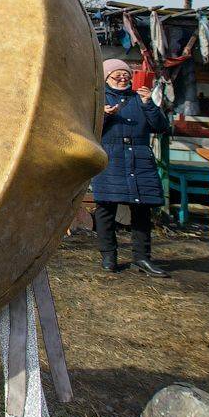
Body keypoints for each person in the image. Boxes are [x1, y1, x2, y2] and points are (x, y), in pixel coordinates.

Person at [91, 58, 171, 277]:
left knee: (142, 211)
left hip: (140, 159)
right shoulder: (99, 99)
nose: (122, 79)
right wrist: (105, 116)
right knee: (106, 210)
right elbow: (90, 131)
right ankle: (109, 256)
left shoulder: (140, 99)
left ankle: (142, 258)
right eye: (117, 75)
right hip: (111, 158)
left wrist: (149, 104)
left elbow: (162, 127)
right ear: (107, 78)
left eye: (126, 75)